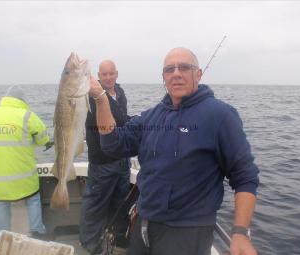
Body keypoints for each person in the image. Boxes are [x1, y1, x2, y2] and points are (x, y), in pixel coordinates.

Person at [88, 47, 259, 255]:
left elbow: (245, 177)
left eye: (184, 67)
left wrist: (240, 232)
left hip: (186, 231)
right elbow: (112, 144)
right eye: (169, 69)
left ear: (199, 73)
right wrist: (101, 99)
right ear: (164, 78)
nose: (176, 73)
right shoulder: (152, 116)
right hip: (144, 221)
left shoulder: (221, 116)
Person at [0, 85, 52, 240]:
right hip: (25, 180)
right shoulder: (27, 115)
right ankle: (37, 231)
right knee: (33, 198)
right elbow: (42, 139)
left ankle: (0, 236)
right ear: (22, 101)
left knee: (1, 202)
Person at [79, 60, 130, 254]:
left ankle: (115, 237)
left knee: (119, 202)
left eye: (111, 74)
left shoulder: (121, 92)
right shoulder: (91, 96)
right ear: (98, 76)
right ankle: (89, 243)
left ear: (116, 74)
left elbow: (123, 120)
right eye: (104, 74)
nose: (108, 78)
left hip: (122, 160)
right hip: (102, 163)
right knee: (95, 205)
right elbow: (113, 121)